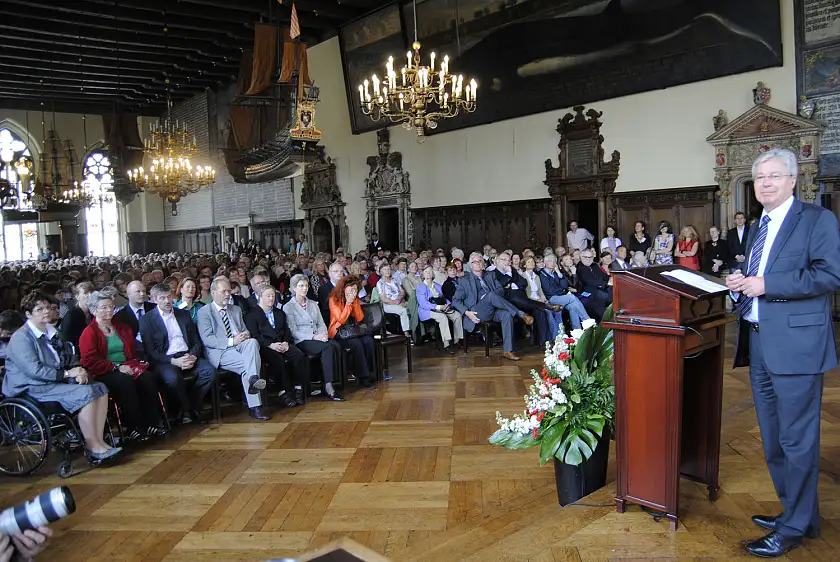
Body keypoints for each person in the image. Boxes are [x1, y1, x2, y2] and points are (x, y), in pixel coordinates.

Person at [725, 148, 840, 558]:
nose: (766, 183)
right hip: (759, 343)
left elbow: (828, 275)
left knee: (797, 439)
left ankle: (793, 528)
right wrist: (743, 281)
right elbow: (761, 275)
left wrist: (766, 284)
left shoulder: (817, 219)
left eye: (775, 176)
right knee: (774, 440)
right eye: (759, 178)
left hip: (797, 348)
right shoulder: (758, 226)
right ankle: (798, 513)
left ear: (793, 180)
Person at [4, 291, 120, 463]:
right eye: (39, 309)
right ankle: (92, 446)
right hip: (32, 386)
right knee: (86, 393)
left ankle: (99, 440)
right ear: (28, 314)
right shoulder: (21, 338)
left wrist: (78, 369)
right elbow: (34, 371)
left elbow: (68, 354)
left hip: (54, 380)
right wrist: (67, 374)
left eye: (47, 308)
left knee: (100, 388)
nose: (46, 312)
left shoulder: (53, 331)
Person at [79, 290, 167, 441]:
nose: (109, 310)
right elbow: (89, 360)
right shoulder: (89, 332)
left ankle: (152, 422)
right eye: (104, 307)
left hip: (128, 366)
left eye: (111, 307)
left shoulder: (122, 327)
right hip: (104, 371)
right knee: (125, 382)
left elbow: (132, 352)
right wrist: (116, 367)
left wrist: (132, 366)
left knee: (148, 378)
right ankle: (134, 427)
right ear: (94, 310)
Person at [141, 283, 217, 425]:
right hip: (166, 360)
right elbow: (151, 351)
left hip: (187, 354)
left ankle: (190, 406)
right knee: (174, 379)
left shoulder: (183, 314)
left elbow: (196, 341)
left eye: (169, 297)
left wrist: (193, 356)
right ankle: (187, 410)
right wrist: (173, 361)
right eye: (162, 298)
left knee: (209, 372)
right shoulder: (147, 320)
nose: (167, 301)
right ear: (155, 300)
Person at [196, 277, 270, 421]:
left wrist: (245, 334)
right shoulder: (204, 312)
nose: (227, 294)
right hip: (220, 351)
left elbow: (244, 329)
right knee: (248, 366)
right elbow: (208, 339)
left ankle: (253, 379)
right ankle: (255, 406)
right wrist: (231, 341)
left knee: (253, 342)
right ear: (213, 292)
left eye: (229, 291)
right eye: (224, 291)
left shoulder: (235, 309)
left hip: (241, 345)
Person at [452, 252, 534, 361]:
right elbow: (455, 301)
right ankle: (521, 314)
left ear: (483, 263)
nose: (477, 263)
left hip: (493, 309)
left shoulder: (490, 275)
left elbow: (500, 290)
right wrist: (467, 313)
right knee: (490, 295)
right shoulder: (464, 281)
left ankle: (508, 351)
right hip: (476, 312)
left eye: (480, 261)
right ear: (470, 264)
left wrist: (492, 297)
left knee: (506, 314)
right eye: (474, 262)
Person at [245, 283, 307, 408]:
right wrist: (270, 345)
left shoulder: (279, 313)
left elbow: (286, 331)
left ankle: (297, 388)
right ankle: (283, 392)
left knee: (298, 355)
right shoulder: (251, 315)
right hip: (265, 347)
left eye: (273, 296)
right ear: (260, 297)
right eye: (268, 296)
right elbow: (254, 335)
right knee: (277, 360)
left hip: (282, 343)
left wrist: (285, 342)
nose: (271, 299)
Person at [283, 274, 344, 400]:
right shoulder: (288, 306)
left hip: (318, 337)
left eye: (306, 286)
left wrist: (323, 335)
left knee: (335, 345)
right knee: (328, 347)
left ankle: (329, 383)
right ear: (294, 288)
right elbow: (293, 331)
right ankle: (329, 386)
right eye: (301, 286)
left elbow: (321, 323)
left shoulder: (312, 303)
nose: (304, 288)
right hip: (303, 340)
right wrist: (314, 337)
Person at [328, 275, 377, 388]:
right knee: (357, 344)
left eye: (355, 290)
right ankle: (363, 377)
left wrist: (354, 303)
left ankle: (370, 372)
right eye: (351, 290)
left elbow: (359, 318)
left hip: (353, 330)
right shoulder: (333, 299)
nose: (353, 292)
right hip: (339, 332)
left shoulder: (355, 299)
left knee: (369, 341)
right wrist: (348, 303)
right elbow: (341, 319)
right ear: (343, 289)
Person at [416, 266, 463, 354]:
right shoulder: (420, 287)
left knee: (457, 315)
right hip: (427, 310)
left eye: (430, 271)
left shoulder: (437, 285)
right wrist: (438, 307)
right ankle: (447, 344)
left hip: (441, 307)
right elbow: (423, 304)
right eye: (426, 272)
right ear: (423, 275)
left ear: (433, 274)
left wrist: (448, 305)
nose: (428, 273)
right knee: (442, 317)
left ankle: (457, 341)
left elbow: (443, 298)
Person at [538, 253, 590, 330]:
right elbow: (550, 291)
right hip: (551, 298)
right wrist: (561, 290)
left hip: (560, 297)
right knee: (572, 297)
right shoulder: (542, 274)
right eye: (550, 261)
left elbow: (564, 286)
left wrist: (559, 273)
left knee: (573, 307)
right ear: (545, 263)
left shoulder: (555, 273)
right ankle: (587, 321)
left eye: (554, 261)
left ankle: (577, 331)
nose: (552, 263)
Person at [376, 263, 411, 338]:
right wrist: (396, 302)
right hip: (389, 304)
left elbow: (402, 291)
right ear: (381, 272)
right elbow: (383, 299)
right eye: (385, 270)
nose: (388, 271)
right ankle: (406, 333)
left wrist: (400, 299)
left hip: (400, 301)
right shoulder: (380, 283)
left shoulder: (394, 280)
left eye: (389, 269)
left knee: (413, 307)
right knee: (403, 310)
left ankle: (416, 332)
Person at [60, 281, 95, 349]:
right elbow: (68, 341)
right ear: (77, 297)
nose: (90, 295)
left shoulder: (93, 313)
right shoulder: (72, 316)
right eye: (86, 293)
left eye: (91, 293)